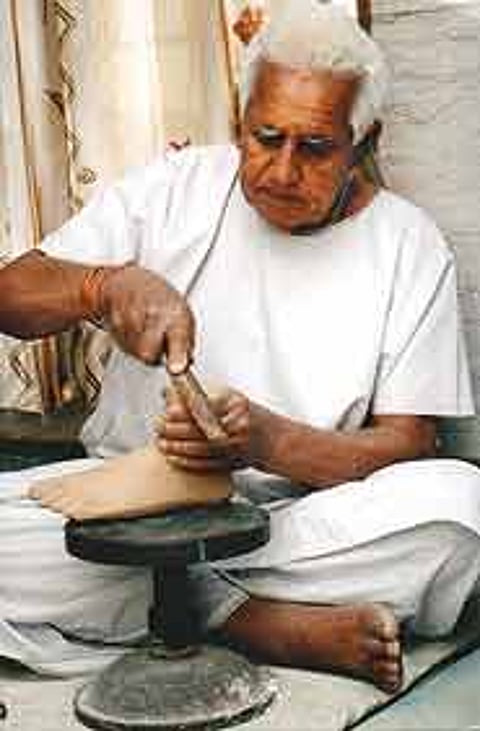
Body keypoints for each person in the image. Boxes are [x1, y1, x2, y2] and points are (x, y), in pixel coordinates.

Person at [0, 2, 479, 693]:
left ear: (362, 141)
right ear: (239, 118)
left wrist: (266, 442)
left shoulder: (408, 244)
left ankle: (180, 606)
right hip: (120, 511)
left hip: (290, 521)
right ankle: (246, 620)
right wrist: (102, 287)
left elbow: (409, 445)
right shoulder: (174, 187)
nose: (282, 170)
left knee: (460, 511)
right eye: (266, 137)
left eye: (315, 148)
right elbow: (11, 295)